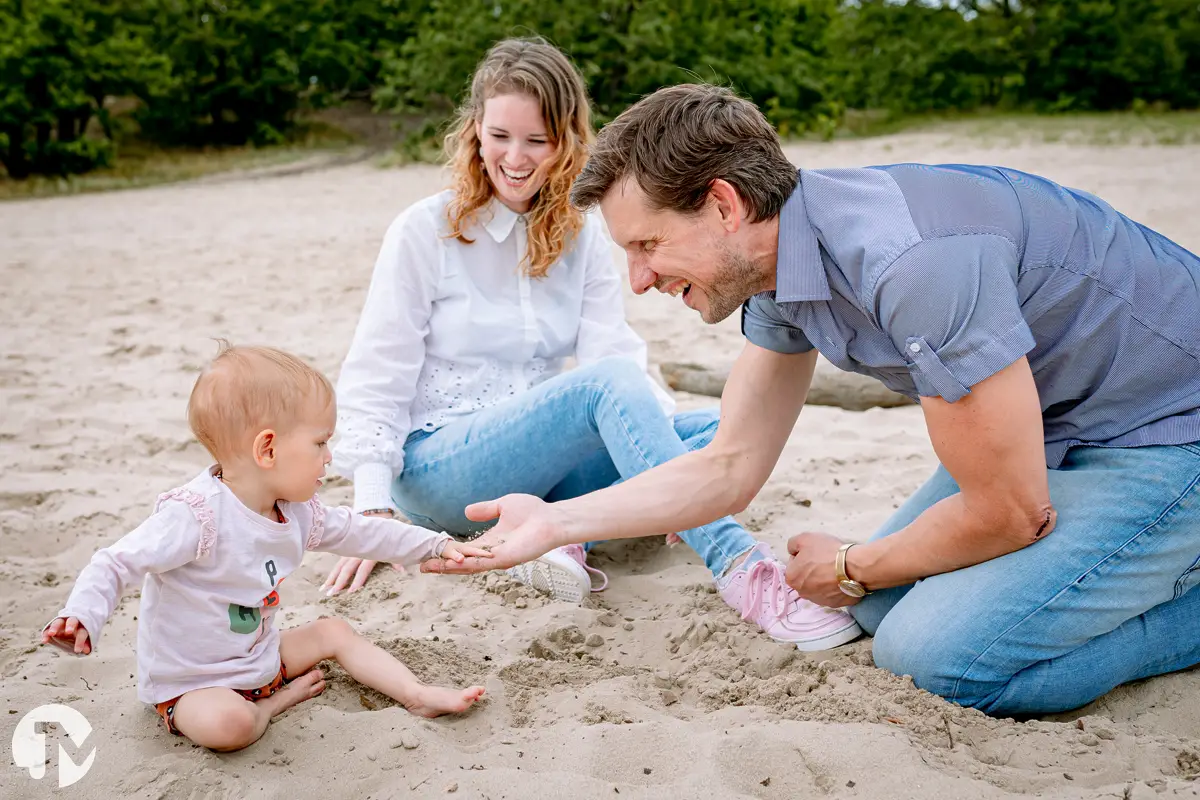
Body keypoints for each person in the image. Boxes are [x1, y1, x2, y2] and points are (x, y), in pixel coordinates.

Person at [423, 83, 1200, 717]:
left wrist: (856, 564)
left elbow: (1009, 510)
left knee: (936, 658)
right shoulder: (780, 268)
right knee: (877, 614)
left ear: (724, 205)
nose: (637, 279)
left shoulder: (910, 268)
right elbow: (727, 467)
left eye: (647, 245)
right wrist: (555, 522)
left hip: (1167, 430)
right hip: (1058, 425)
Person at [321, 39, 860, 652]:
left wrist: (666, 468)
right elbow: (377, 370)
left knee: (717, 433)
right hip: (439, 467)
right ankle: (742, 571)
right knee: (615, 393)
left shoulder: (579, 237)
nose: (515, 158)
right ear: (474, 133)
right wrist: (371, 510)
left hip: (543, 467)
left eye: (537, 140)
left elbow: (615, 351)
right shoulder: (426, 230)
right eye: (500, 136)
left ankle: (561, 532)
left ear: (567, 140)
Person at [41, 342, 489, 751]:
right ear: (268, 450)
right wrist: (83, 614)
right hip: (194, 685)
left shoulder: (297, 511)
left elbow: (363, 532)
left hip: (261, 657)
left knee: (333, 631)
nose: (329, 456)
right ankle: (273, 704)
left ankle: (417, 695)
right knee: (229, 727)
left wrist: (433, 545)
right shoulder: (196, 516)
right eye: (320, 442)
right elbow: (116, 562)